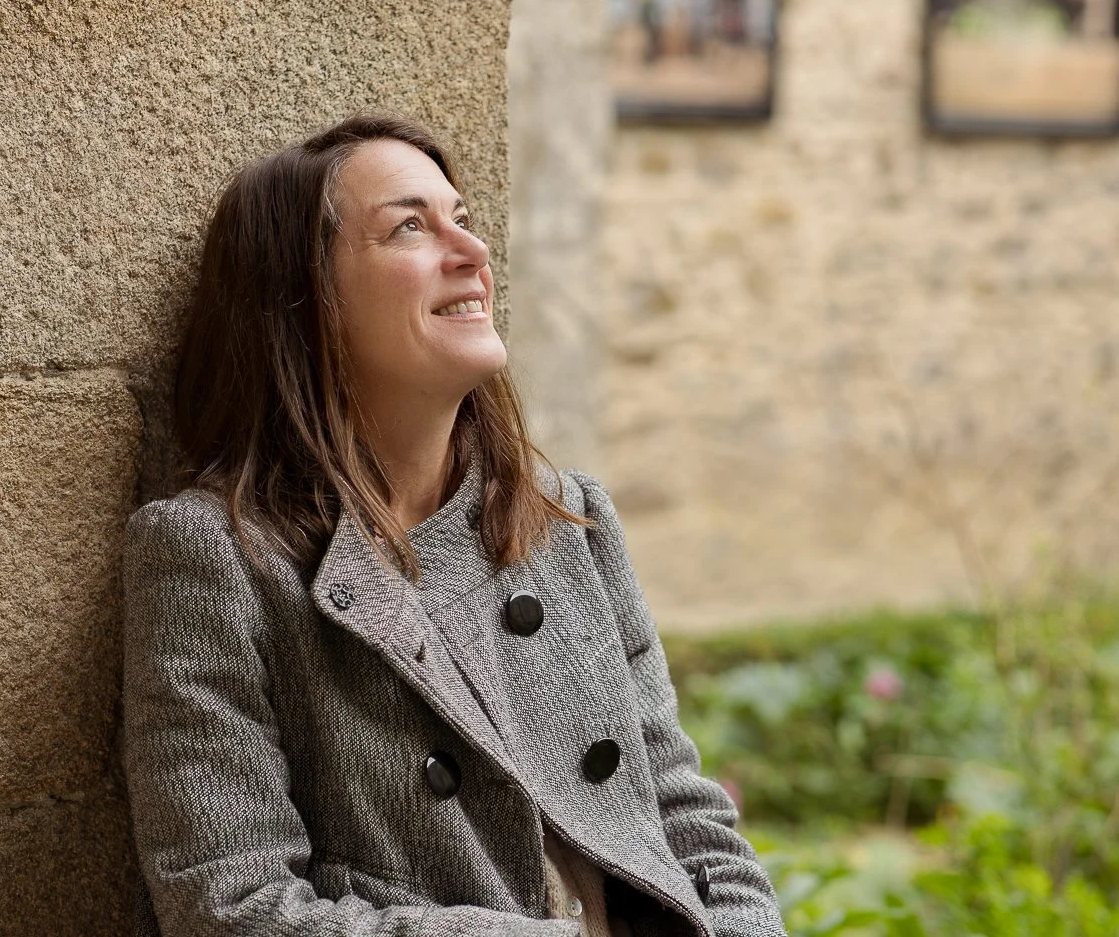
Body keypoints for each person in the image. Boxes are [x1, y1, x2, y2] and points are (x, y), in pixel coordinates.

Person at [121, 114, 786, 937]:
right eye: (409, 227)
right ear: (304, 296)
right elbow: (232, 910)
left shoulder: (567, 518)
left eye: (461, 219)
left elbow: (684, 818)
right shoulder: (213, 558)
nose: (471, 251)